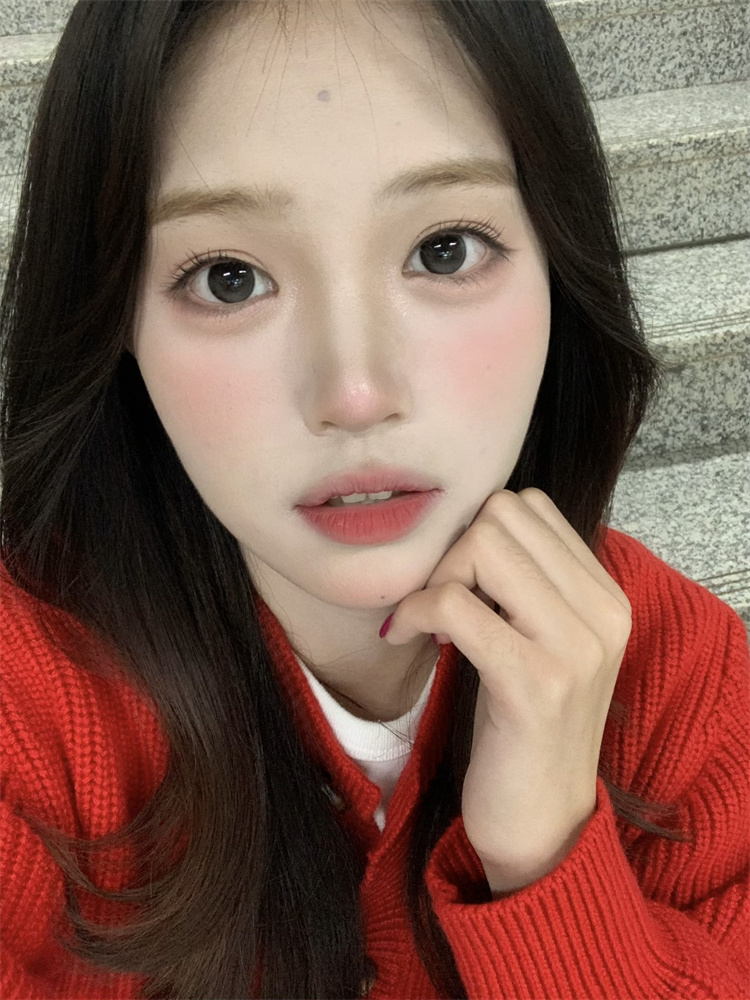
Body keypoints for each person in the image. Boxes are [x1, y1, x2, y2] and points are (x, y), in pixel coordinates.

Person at [1, 1, 747, 998]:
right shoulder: (26, 723)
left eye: (445, 249)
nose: (355, 393)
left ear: (559, 270)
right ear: (114, 318)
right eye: (229, 277)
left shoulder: (684, 683)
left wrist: (548, 863)